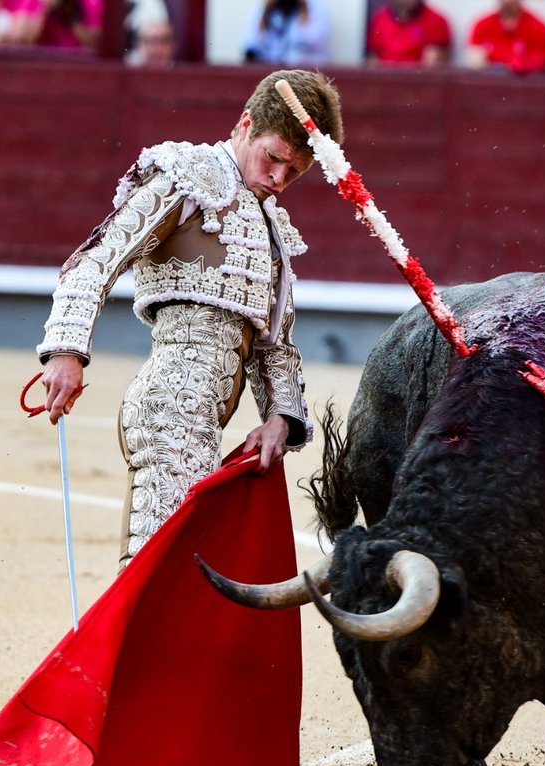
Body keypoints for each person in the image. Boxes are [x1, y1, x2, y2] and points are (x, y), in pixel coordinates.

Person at [39, 69, 344, 571]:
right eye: (274, 159)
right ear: (245, 124)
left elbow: (274, 346)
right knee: (161, 571)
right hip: (167, 413)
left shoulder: (272, 232)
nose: (279, 180)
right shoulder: (188, 177)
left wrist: (279, 420)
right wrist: (66, 351)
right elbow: (94, 261)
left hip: (206, 422)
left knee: (179, 575)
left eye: (295, 172)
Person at [465, 0, 545, 75]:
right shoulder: (483, 25)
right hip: (488, 87)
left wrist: (521, 66)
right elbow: (474, 60)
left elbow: (543, 63)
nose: (508, 2)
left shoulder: (538, 28)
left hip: (522, 89)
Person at [366, 0, 452, 67]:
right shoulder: (379, 19)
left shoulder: (436, 21)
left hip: (419, 84)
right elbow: (373, 59)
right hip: (385, 82)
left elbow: (436, 64)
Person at [244, 0, 329, 66]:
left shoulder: (314, 7)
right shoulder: (265, 9)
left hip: (305, 71)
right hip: (270, 69)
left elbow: (314, 41)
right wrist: (265, 14)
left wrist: (304, 9)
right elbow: (251, 45)